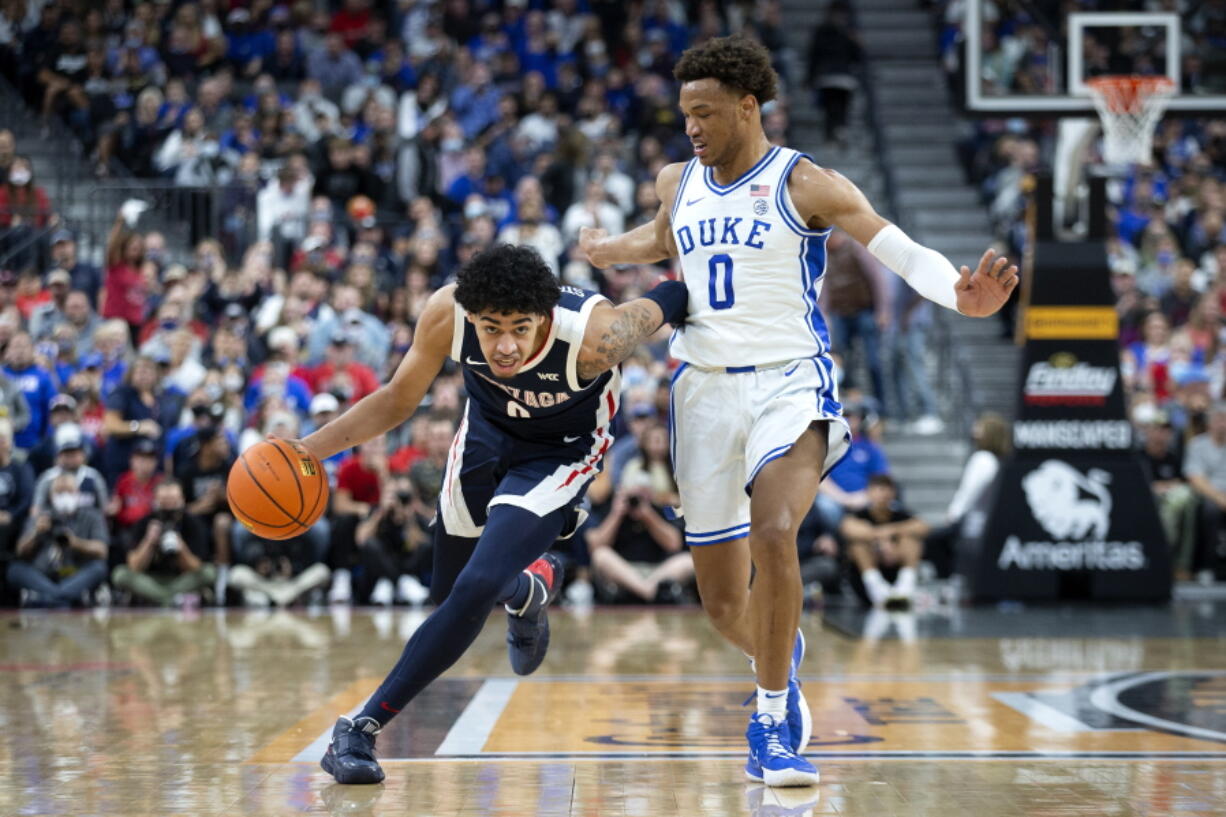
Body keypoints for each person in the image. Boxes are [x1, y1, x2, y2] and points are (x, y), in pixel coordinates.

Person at [579, 35, 1016, 787]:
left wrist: (957, 292)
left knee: (776, 530)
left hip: (789, 381)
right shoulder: (677, 179)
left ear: (748, 108)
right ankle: (780, 651)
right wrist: (601, 250)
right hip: (702, 389)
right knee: (721, 605)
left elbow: (896, 246)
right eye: (685, 114)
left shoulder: (804, 181)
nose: (692, 127)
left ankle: (772, 717)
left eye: (706, 113)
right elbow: (659, 240)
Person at [298, 244, 687, 784]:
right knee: (451, 594)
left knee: (476, 586)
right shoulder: (446, 312)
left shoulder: (597, 335)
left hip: (561, 453)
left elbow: (666, 300)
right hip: (484, 433)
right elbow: (395, 400)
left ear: (545, 319)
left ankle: (359, 728)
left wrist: (685, 278)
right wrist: (307, 450)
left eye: (519, 329)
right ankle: (527, 588)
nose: (504, 346)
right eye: (489, 329)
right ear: (470, 315)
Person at [7, 472, 109, 607]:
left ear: (78, 493)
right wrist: (36, 533)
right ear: (51, 496)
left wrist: (75, 543)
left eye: (69, 491)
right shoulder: (41, 516)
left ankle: (49, 598)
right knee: (15, 569)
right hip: (43, 574)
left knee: (99, 568)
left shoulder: (92, 515)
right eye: (60, 492)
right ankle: (61, 596)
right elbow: (20, 551)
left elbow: (102, 550)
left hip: (75, 573)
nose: (65, 495)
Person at [111, 480, 215, 607]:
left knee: (209, 572)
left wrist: (181, 547)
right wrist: (149, 541)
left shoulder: (193, 523)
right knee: (120, 574)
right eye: (164, 502)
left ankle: (160, 599)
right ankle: (171, 599)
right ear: (155, 501)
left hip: (181, 580)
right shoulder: (143, 523)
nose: (169, 508)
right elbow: (134, 566)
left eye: (173, 501)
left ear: (182, 500)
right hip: (150, 580)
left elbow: (195, 567)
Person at [839, 473, 928, 608]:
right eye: (878, 489)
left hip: (894, 567)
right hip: (866, 577)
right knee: (857, 545)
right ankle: (875, 587)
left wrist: (891, 531)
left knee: (911, 541)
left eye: (887, 490)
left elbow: (923, 526)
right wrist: (881, 539)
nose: (883, 495)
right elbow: (847, 528)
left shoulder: (900, 514)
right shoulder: (860, 515)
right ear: (869, 492)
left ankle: (905, 587)